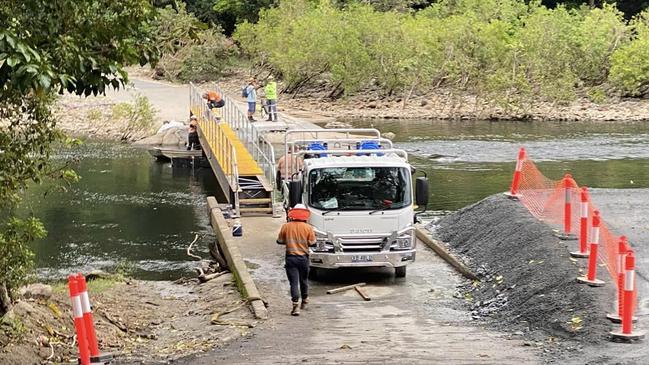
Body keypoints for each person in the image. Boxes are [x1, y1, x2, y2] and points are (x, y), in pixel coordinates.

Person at [276, 204, 316, 316]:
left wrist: (289, 241)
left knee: (293, 282)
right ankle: (305, 300)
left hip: (290, 258)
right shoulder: (308, 228)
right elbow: (313, 243)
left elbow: (279, 241)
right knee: (304, 280)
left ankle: (295, 307)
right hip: (303, 258)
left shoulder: (286, 226)